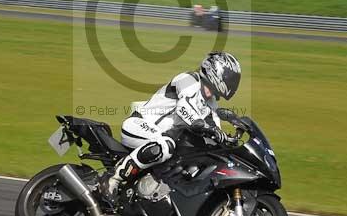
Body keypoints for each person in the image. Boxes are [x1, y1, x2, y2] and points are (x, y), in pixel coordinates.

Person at [102, 51, 242, 204]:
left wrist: (227, 141)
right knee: (165, 146)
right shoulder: (189, 80)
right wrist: (204, 126)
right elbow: (184, 108)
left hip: (159, 136)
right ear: (215, 71)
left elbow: (214, 128)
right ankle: (112, 179)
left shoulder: (210, 102)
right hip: (139, 125)